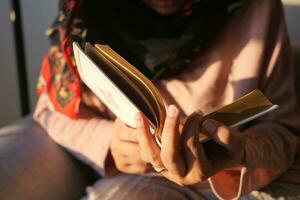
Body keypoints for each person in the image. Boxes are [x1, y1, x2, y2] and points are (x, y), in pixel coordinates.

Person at [34, 0, 300, 199]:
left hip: (252, 181)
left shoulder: (256, 7)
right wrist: (111, 146)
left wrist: (240, 154)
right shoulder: (88, 13)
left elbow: (285, 129)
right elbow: (51, 109)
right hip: (145, 182)